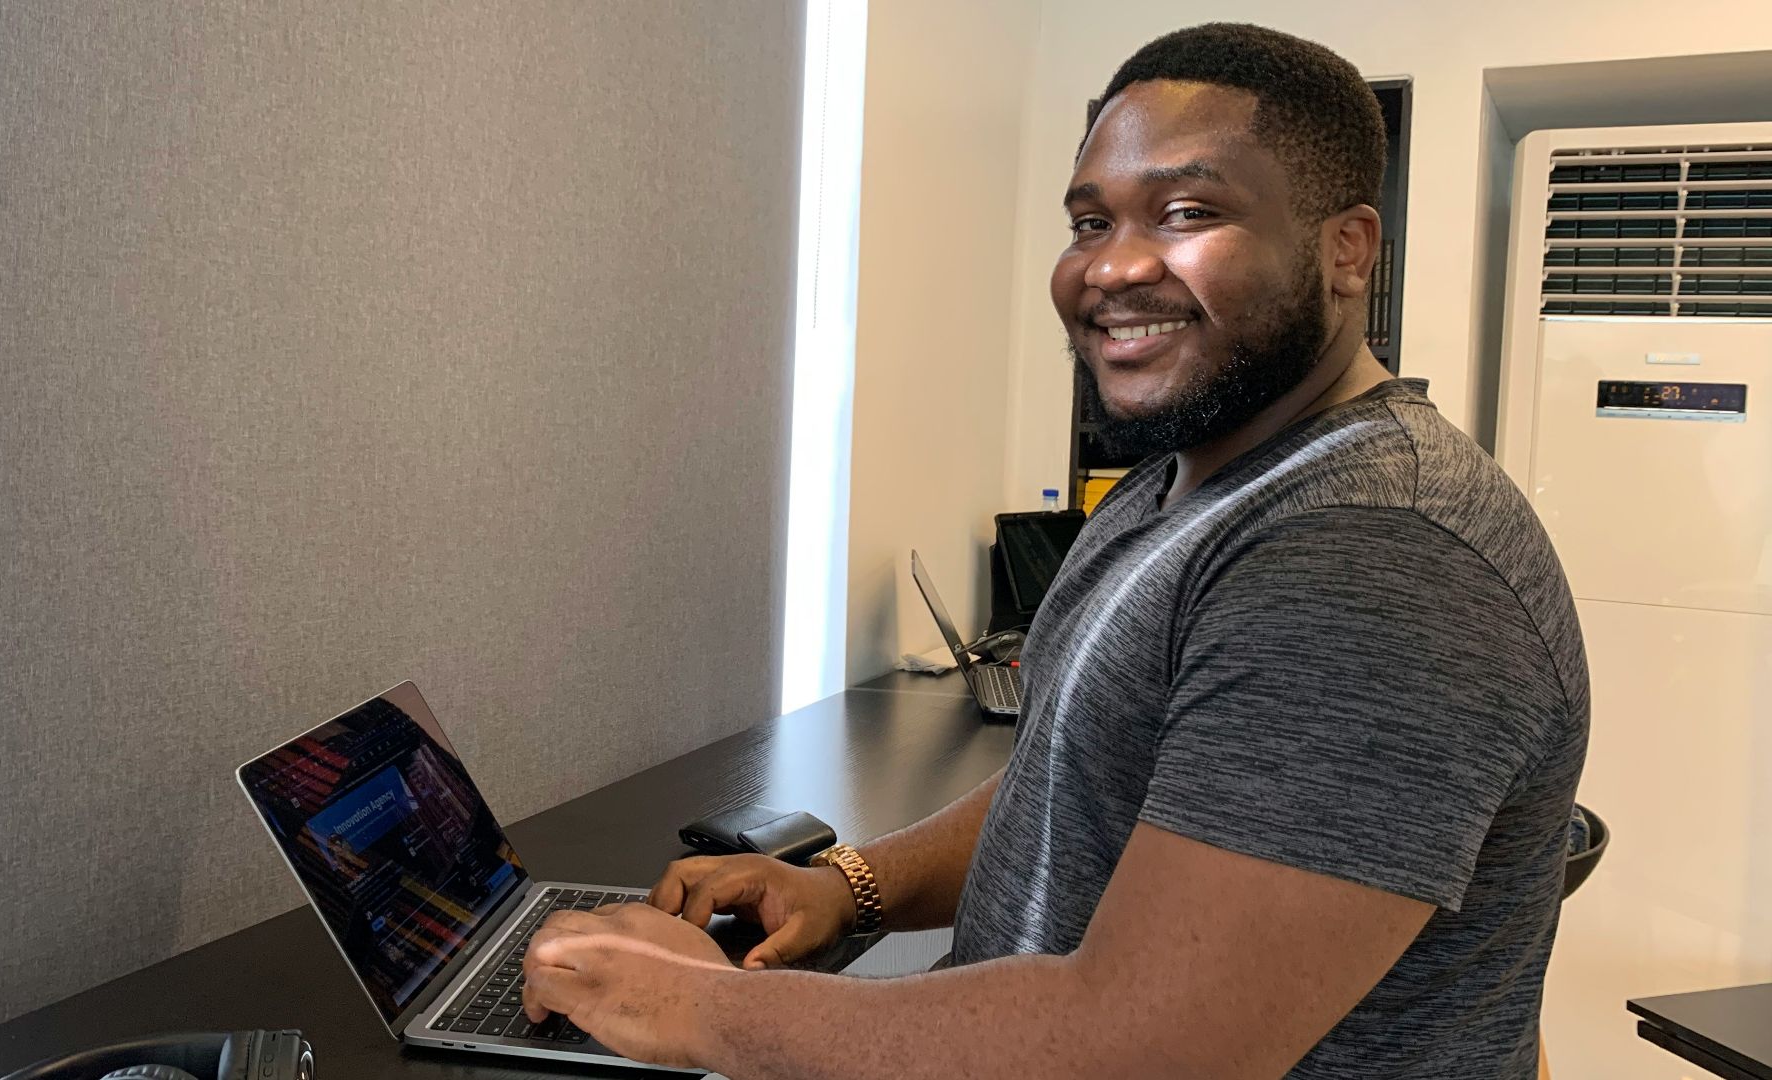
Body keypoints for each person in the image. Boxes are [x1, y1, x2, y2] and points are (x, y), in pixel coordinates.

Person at [520, 23, 1588, 1078]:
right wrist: (851, 885)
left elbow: (1138, 1048)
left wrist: (698, 1009)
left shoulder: (1369, 558)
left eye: (1187, 212)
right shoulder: (1180, 484)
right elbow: (1084, 776)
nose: (1112, 266)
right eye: (1090, 220)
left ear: (1347, 249)